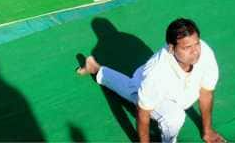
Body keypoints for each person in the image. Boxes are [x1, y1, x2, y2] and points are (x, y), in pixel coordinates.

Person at [77, 18, 225, 143]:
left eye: (196, 43)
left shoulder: (204, 53)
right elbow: (143, 113)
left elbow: (206, 92)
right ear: (171, 48)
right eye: (187, 47)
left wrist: (208, 131)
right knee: (173, 116)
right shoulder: (155, 74)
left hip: (176, 90)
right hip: (145, 84)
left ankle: (94, 67)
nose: (195, 51)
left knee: (136, 91)